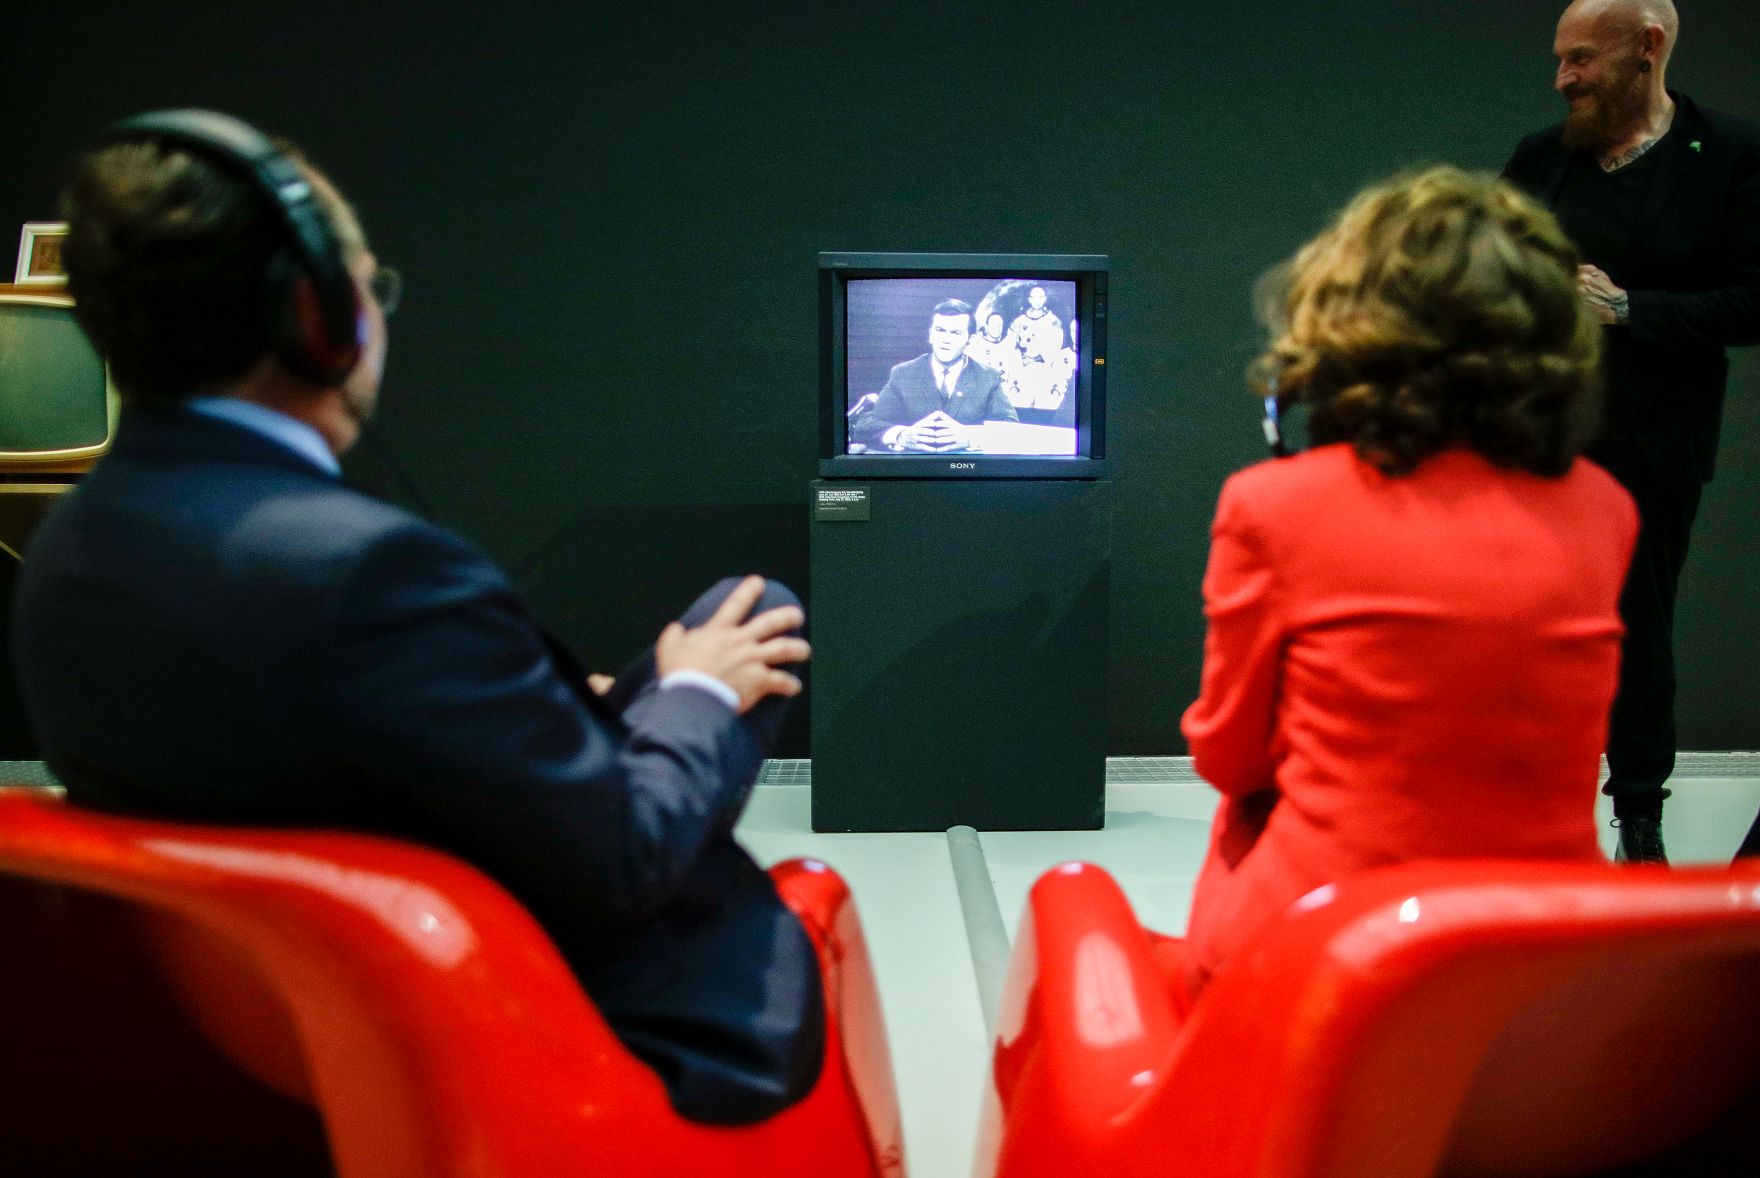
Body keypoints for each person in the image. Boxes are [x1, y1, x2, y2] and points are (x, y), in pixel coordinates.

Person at [11, 110, 822, 1126]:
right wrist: (700, 688)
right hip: (513, 1007)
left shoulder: (70, 550)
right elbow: (616, 860)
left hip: (240, 1034)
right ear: (321, 317)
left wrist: (555, 703)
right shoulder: (372, 574)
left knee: (726, 619)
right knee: (753, 620)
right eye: (366, 282)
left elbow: (340, 727)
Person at [1176, 167, 1636, 999]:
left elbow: (1227, 755)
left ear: (1346, 329)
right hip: (1552, 957)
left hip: (1326, 955)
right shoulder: (1605, 509)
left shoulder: (1273, 504)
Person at [1502, 0, 1760, 863]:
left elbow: (1757, 299)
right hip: (1537, 441)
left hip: (1656, 444)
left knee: (1636, 634)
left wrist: (1628, 309)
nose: (1562, 77)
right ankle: (1529, 814)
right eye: (1559, 59)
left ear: (1646, 49)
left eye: (1580, 59)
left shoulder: (1730, 156)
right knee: (1523, 631)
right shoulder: (1543, 159)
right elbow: (1486, 273)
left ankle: (1639, 817)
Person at [848, 298, 1017, 452]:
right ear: (930, 334)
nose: (945, 339)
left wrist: (971, 437)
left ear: (970, 340)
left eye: (955, 333)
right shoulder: (903, 373)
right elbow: (867, 424)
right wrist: (901, 435)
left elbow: (1011, 428)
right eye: (940, 330)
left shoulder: (988, 377)